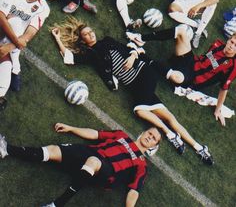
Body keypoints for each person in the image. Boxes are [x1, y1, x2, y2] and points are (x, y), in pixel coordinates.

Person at [50, 17, 213, 164]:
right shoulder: (91, 55)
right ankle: (199, 148)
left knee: (139, 110)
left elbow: (130, 49)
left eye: (91, 31)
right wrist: (57, 38)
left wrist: (133, 56)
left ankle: (169, 134)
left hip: (143, 73)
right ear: (83, 40)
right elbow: (69, 58)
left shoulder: (107, 41)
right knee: (170, 117)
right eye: (86, 34)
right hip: (135, 88)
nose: (91, 34)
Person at [0, 124, 161, 206]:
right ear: (144, 132)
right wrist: (71, 128)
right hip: (90, 153)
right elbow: (96, 134)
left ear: (153, 146)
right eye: (150, 133)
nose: (150, 137)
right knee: (53, 150)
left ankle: (57, 204)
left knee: (94, 161)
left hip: (106, 172)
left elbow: (134, 191)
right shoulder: (121, 135)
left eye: (154, 138)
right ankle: (7, 149)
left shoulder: (142, 165)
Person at [126, 24, 236, 127]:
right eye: (232, 42)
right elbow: (203, 61)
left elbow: (224, 89)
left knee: (177, 78)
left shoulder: (232, 66)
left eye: (235, 46)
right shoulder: (217, 44)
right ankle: (141, 39)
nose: (232, 46)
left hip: (191, 79)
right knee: (181, 32)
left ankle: (141, 54)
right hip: (190, 62)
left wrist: (218, 109)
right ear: (228, 39)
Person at [0, 0, 53, 110]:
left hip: (11, 40)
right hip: (7, 33)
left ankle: (1, 94)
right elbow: (1, 16)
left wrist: (11, 45)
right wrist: (17, 44)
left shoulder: (44, 8)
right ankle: (16, 67)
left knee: (5, 68)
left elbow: (30, 32)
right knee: (16, 22)